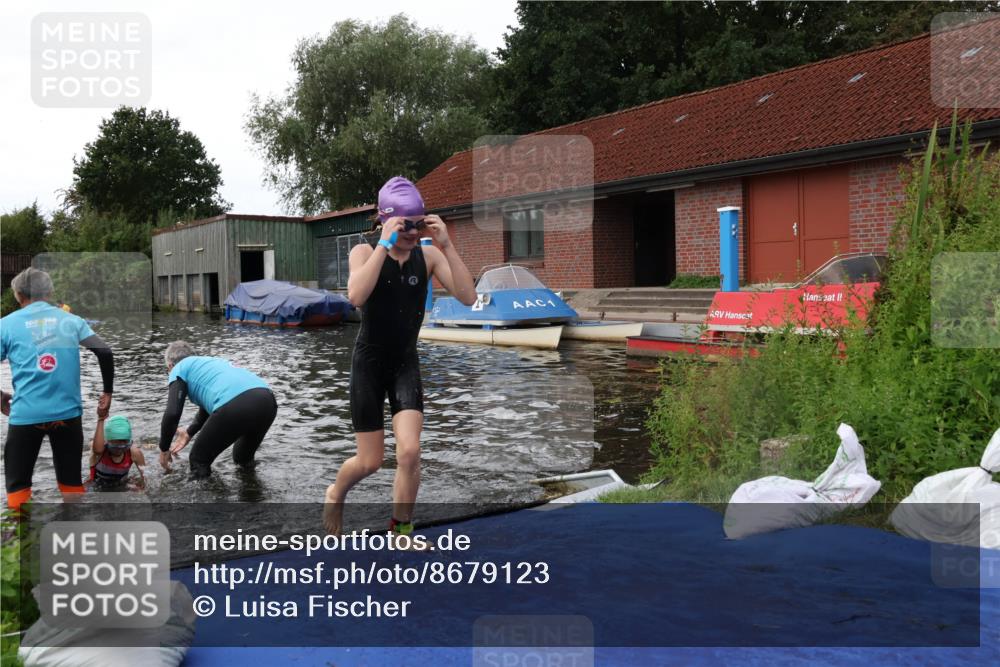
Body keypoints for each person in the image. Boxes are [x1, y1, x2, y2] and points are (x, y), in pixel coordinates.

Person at [324, 176, 476, 536]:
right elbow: (357, 297)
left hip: (405, 363)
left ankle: (401, 529)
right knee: (370, 461)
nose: (413, 232)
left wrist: (448, 245)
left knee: (409, 452)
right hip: (369, 365)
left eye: (418, 223)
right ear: (386, 220)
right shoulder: (364, 253)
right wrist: (384, 244)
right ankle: (335, 493)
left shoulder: (430, 256)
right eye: (405, 225)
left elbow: (468, 298)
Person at [0, 267, 114, 510]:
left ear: (18, 295)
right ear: (50, 292)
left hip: (26, 417)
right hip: (67, 415)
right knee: (71, 483)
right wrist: (107, 393)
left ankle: (17, 542)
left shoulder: (6, 325)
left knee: (18, 486)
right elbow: (104, 351)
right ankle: (72, 536)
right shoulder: (71, 321)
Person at [158, 341, 277, 478]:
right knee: (242, 460)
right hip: (267, 401)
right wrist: (190, 431)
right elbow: (211, 405)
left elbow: (172, 413)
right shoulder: (209, 362)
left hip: (237, 404)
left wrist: (164, 449)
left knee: (198, 460)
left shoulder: (178, 369)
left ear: (171, 365)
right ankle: (254, 495)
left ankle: (207, 498)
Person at [89, 414, 146, 490]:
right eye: (115, 446)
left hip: (121, 485)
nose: (120, 449)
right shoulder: (100, 451)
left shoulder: (135, 453)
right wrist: (101, 419)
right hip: (96, 486)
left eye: (124, 444)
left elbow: (145, 478)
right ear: (107, 441)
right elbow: (96, 448)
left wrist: (141, 489)